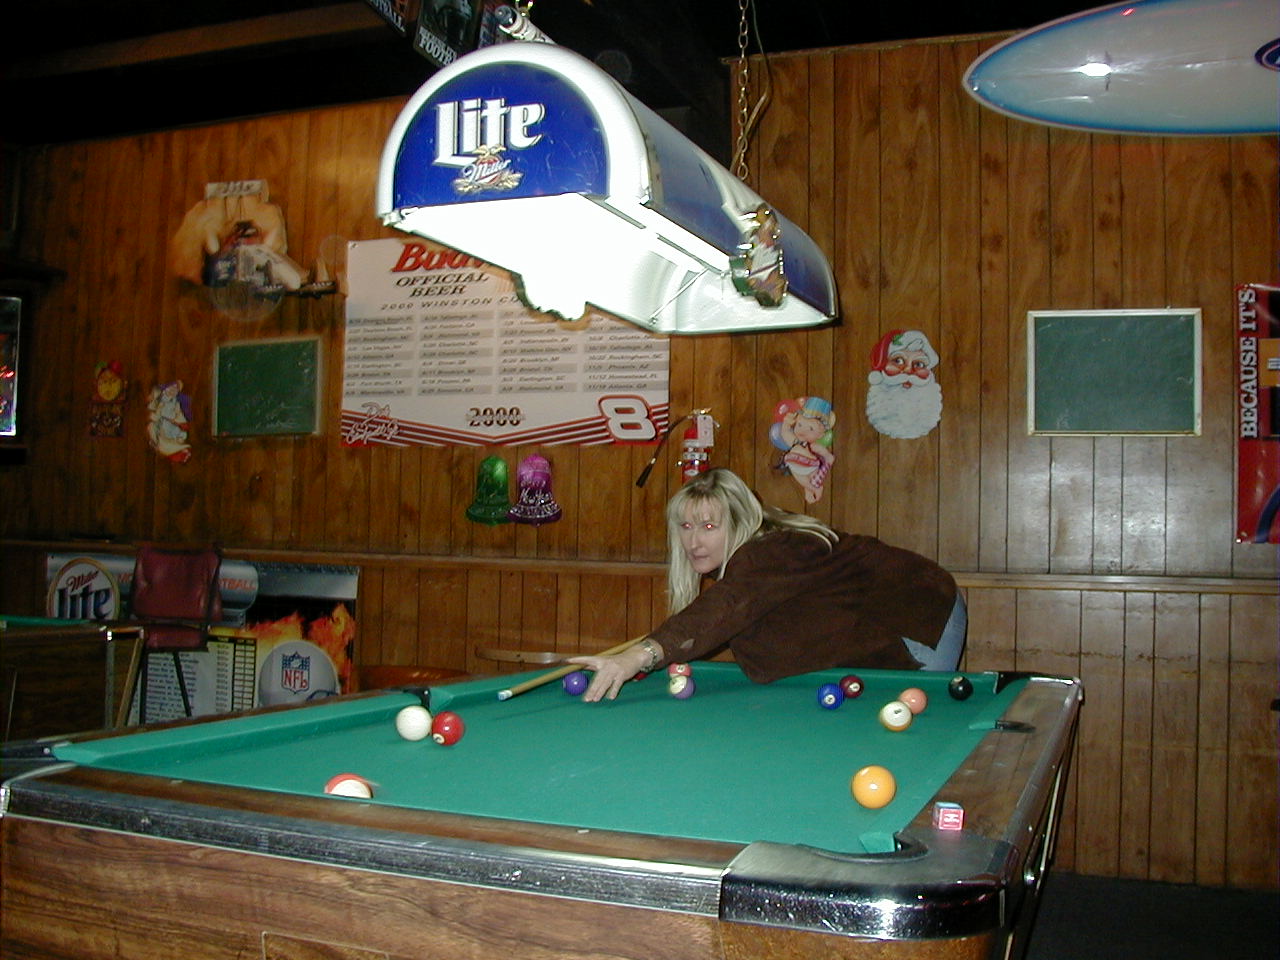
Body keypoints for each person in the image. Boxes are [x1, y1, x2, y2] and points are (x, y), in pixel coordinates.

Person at [570, 468, 965, 702]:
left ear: (740, 522)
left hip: (919, 612)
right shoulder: (758, 560)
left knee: (915, 716)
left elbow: (724, 607)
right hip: (890, 616)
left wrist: (640, 656)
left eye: (709, 526)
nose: (694, 541)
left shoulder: (770, 551)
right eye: (686, 526)